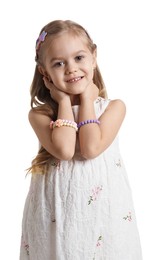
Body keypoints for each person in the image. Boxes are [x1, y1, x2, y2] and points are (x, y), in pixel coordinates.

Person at [20, 20, 142, 260]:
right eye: (58, 63)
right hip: (55, 217)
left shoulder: (113, 108)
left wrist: (87, 100)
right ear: (45, 72)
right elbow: (65, 150)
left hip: (103, 217)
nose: (71, 69)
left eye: (78, 58)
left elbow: (90, 147)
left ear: (93, 58)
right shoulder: (41, 115)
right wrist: (65, 103)